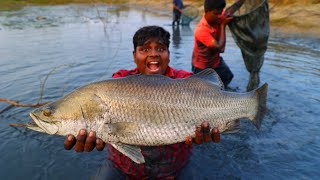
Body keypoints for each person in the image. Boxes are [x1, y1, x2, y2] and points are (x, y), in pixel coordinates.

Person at [64, 25, 220, 179]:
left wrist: (206, 132)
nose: (153, 54)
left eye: (160, 49)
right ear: (134, 55)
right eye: (145, 49)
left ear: (168, 54)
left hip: (174, 168)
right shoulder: (117, 82)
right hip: (123, 167)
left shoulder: (187, 80)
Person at [192, 0, 234, 87]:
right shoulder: (201, 30)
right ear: (206, 11)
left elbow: (231, 11)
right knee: (203, 92)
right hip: (202, 67)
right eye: (216, 13)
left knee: (228, 77)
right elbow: (221, 48)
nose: (219, 16)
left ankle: (221, 95)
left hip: (216, 61)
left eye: (220, 12)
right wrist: (223, 26)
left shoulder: (217, 17)